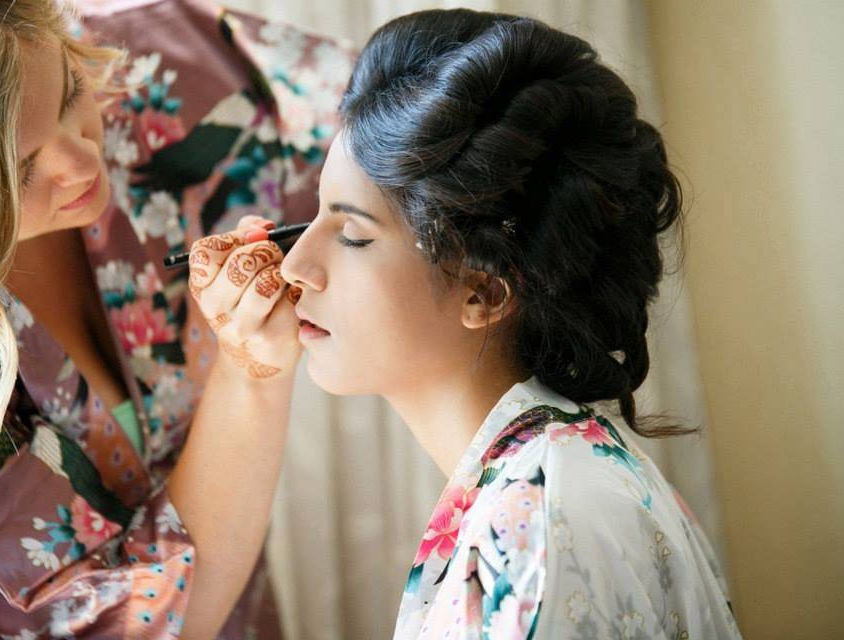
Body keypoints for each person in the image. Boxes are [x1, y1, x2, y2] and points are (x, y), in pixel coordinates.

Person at [0, 1, 351, 637]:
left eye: (71, 96)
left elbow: (410, 126)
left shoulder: (146, 64)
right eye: (15, 172)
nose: (81, 165)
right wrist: (252, 378)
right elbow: (140, 623)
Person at [281, 9, 743, 639]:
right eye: (314, 217)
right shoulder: (559, 476)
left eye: (353, 234)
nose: (298, 265)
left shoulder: (533, 529)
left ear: (485, 290)